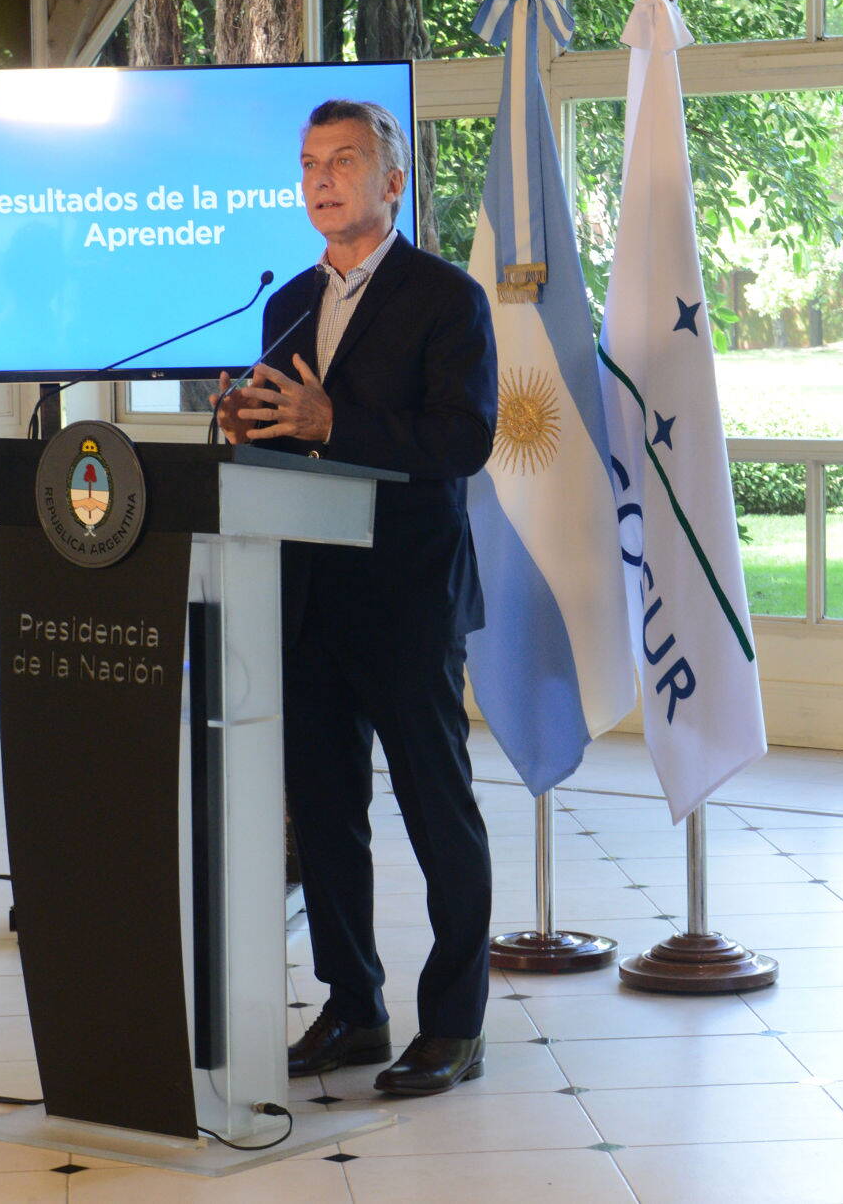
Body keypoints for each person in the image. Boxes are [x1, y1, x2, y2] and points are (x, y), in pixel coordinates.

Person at [212, 99, 497, 1097]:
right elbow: (288, 438)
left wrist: (333, 417)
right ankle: (354, 1006)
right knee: (326, 816)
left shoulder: (444, 298)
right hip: (306, 594)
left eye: (343, 161)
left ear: (392, 181)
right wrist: (247, 422)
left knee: (435, 813)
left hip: (407, 598)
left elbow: (461, 443)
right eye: (307, 165)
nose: (321, 180)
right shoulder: (286, 300)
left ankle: (455, 1023)